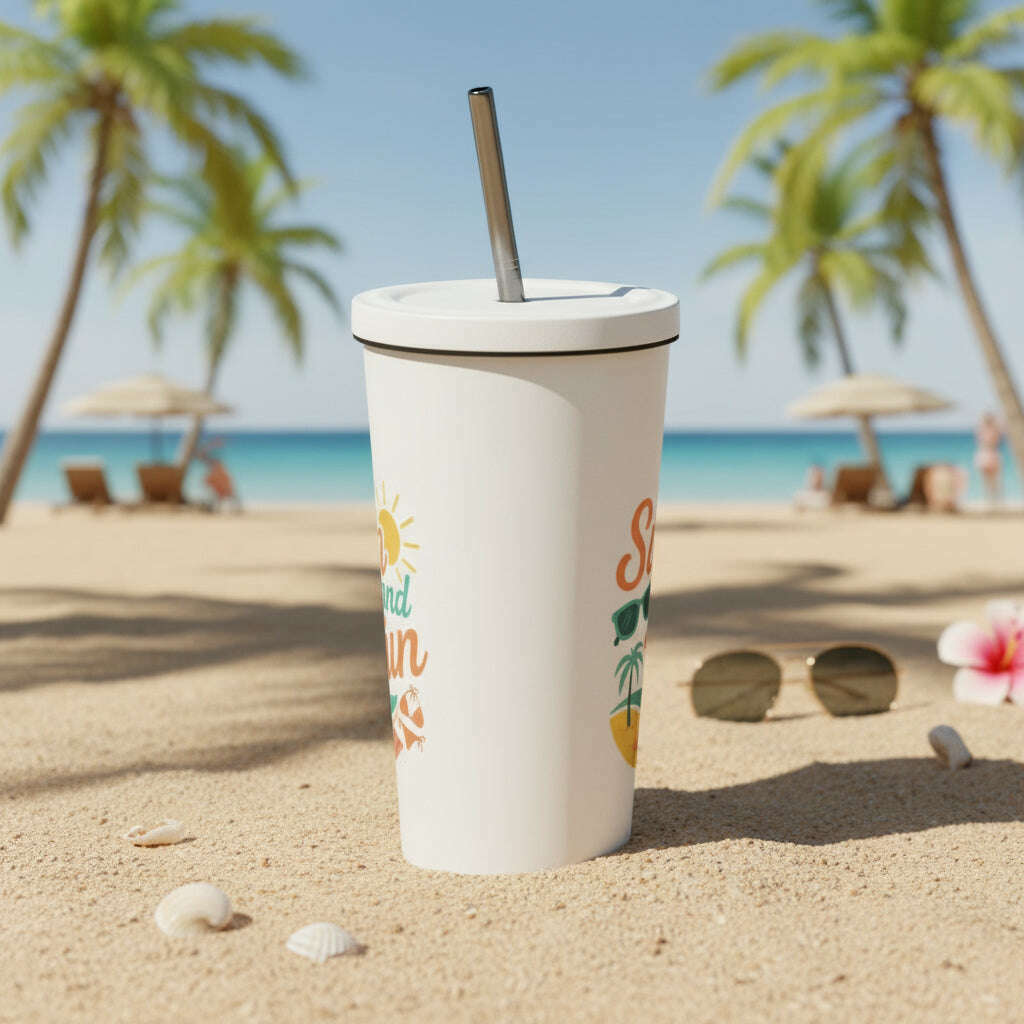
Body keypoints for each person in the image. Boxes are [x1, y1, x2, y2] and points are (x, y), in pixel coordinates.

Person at [197, 441, 241, 512]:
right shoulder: (216, 467)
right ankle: (219, 509)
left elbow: (202, 455)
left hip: (222, 484)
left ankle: (231, 509)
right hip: (221, 485)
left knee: (226, 497)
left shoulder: (217, 467)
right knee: (224, 498)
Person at [974, 412, 1003, 506]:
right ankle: (993, 501)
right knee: (993, 481)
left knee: (988, 481)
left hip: (985, 454)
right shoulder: (993, 431)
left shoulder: (983, 430)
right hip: (990, 454)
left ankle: (991, 501)